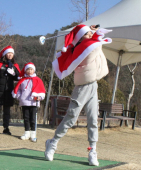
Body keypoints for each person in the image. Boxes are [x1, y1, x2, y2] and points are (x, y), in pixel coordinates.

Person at [45, 24, 112, 166]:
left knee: (93, 120)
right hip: (81, 88)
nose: (90, 35)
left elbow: (97, 49)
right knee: (70, 118)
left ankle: (92, 150)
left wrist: (91, 31)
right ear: (80, 38)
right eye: (86, 34)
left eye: (89, 34)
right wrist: (95, 33)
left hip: (93, 86)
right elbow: (95, 46)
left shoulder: (88, 44)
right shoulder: (82, 48)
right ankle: (52, 142)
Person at [12, 62, 45, 141]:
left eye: (31, 69)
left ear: (34, 70)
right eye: (28, 69)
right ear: (25, 70)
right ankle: (26, 133)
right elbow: (18, 90)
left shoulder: (38, 80)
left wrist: (39, 97)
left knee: (33, 119)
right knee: (26, 118)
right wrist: (19, 97)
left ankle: (33, 134)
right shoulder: (22, 80)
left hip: (33, 102)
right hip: (24, 102)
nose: (29, 71)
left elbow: (42, 91)